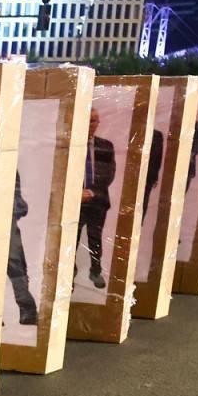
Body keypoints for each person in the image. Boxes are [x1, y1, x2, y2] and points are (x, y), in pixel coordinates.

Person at [75, 113, 115, 290]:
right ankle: (69, 271)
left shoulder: (106, 146)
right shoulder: (71, 145)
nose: (90, 123)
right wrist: (76, 192)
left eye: (93, 120)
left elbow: (108, 174)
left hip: (98, 201)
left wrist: (91, 191)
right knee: (72, 239)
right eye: (87, 119)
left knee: (95, 238)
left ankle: (95, 271)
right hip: (74, 202)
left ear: (98, 123)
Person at [4, 171, 39, 326]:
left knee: (15, 267)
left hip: (6, 221)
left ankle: (28, 311)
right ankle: (27, 311)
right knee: (12, 267)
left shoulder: (10, 167)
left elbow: (18, 201)